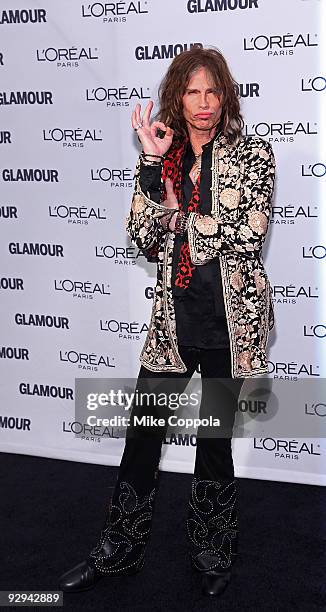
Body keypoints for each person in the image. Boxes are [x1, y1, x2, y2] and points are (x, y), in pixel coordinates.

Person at [59, 46, 275, 597]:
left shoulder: (254, 154)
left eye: (213, 92)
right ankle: (119, 552)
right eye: (192, 92)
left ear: (225, 95)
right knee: (142, 438)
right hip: (171, 326)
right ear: (177, 97)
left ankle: (211, 552)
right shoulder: (163, 156)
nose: (203, 104)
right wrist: (154, 164)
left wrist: (174, 216)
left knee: (215, 442)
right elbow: (143, 235)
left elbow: (238, 236)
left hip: (231, 328)